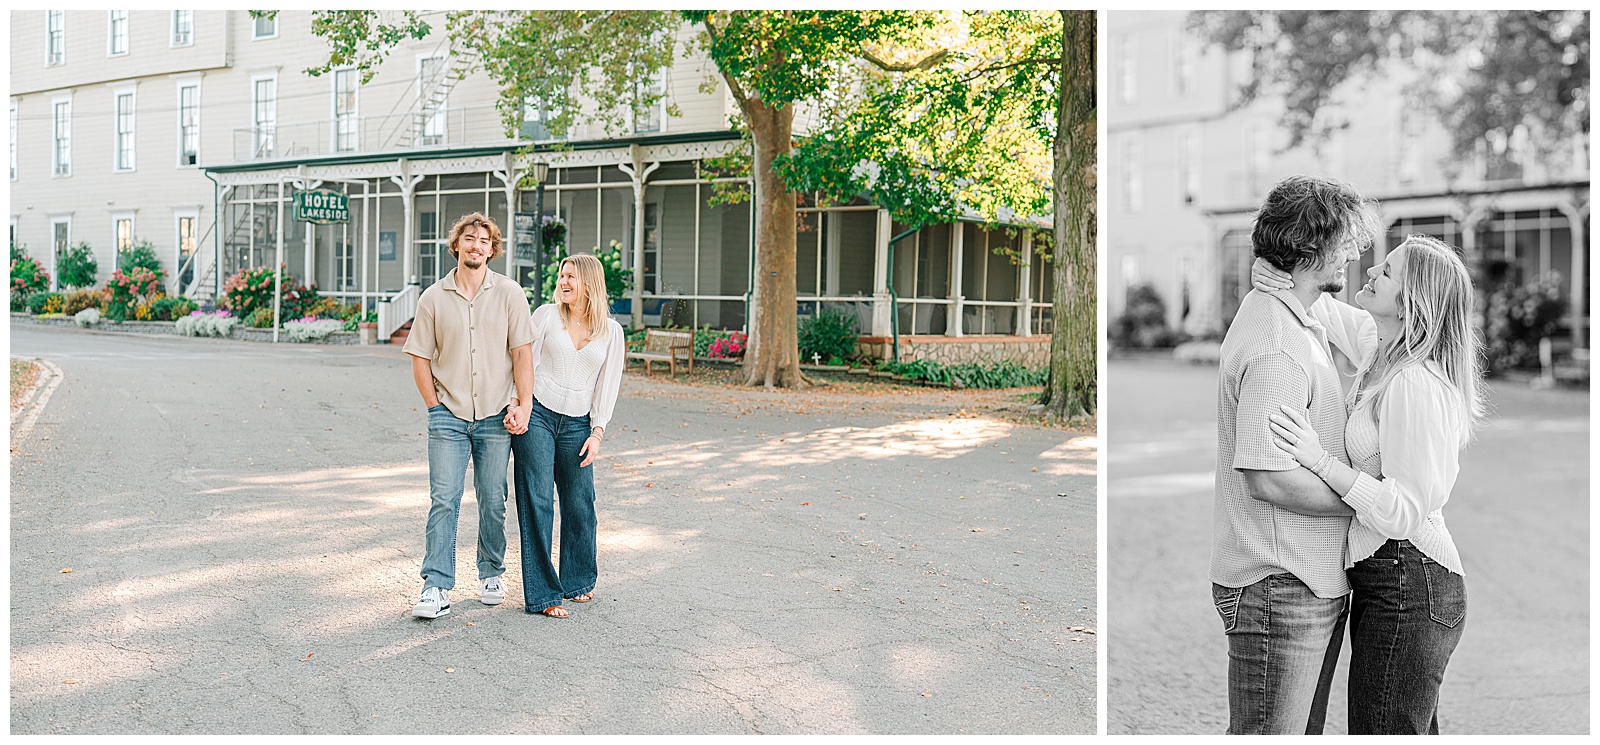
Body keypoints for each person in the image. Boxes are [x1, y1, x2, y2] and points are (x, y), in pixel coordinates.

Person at [1252, 234, 1483, 734]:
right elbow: (1326, 309)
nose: (1372, 272)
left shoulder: (1415, 383)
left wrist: (1320, 461)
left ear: (1411, 301)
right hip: (1388, 579)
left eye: (1389, 272)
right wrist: (1282, 274)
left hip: (1411, 579)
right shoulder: (1381, 348)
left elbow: (1405, 511)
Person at [1211, 175, 1382, 734]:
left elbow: (1381, 332)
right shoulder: (1278, 345)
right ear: (1314, 247)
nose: (1358, 254)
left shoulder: (1297, 314)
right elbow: (1270, 479)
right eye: (1349, 242)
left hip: (1306, 583)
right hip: (1280, 587)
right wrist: (1373, 505)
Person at [403, 212, 534, 619]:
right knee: (444, 500)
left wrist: (524, 403)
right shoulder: (433, 297)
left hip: (497, 415)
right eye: (469, 238)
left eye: (484, 241)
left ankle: (492, 572)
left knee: (494, 500)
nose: (476, 245)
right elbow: (420, 356)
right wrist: (433, 407)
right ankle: (435, 587)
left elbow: (522, 354)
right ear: (456, 245)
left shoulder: (511, 294)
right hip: (449, 416)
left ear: (492, 250)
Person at [508, 253, 625, 618]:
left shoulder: (611, 332)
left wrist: (598, 432)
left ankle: (577, 580)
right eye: (561, 275)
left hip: (577, 424)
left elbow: (608, 385)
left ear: (589, 283)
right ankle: (544, 595)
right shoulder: (545, 315)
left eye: (571, 276)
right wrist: (517, 403)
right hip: (538, 414)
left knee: (580, 504)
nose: (563, 282)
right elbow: (522, 361)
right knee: (538, 502)